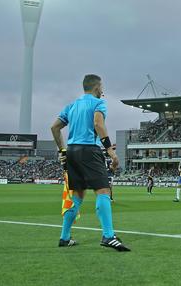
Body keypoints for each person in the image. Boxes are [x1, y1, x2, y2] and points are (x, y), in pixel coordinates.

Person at [50, 74, 130, 251]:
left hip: (72, 151)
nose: (102, 90)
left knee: (77, 196)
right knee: (103, 191)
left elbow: (54, 127)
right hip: (89, 151)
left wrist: (62, 150)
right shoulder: (98, 103)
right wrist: (110, 150)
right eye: (101, 87)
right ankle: (108, 236)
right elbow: (98, 124)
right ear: (96, 88)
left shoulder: (71, 106)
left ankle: (64, 237)